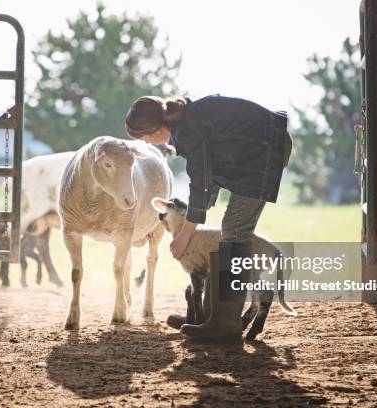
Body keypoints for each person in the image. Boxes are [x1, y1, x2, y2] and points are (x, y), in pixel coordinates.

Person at [125, 94, 292, 341]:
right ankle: (207, 317)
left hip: (265, 149)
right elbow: (209, 175)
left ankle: (225, 324)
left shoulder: (189, 130)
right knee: (232, 230)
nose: (147, 143)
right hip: (259, 147)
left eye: (143, 137)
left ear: (156, 128)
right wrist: (198, 212)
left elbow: (202, 182)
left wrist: (184, 235)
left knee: (235, 230)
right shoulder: (186, 123)